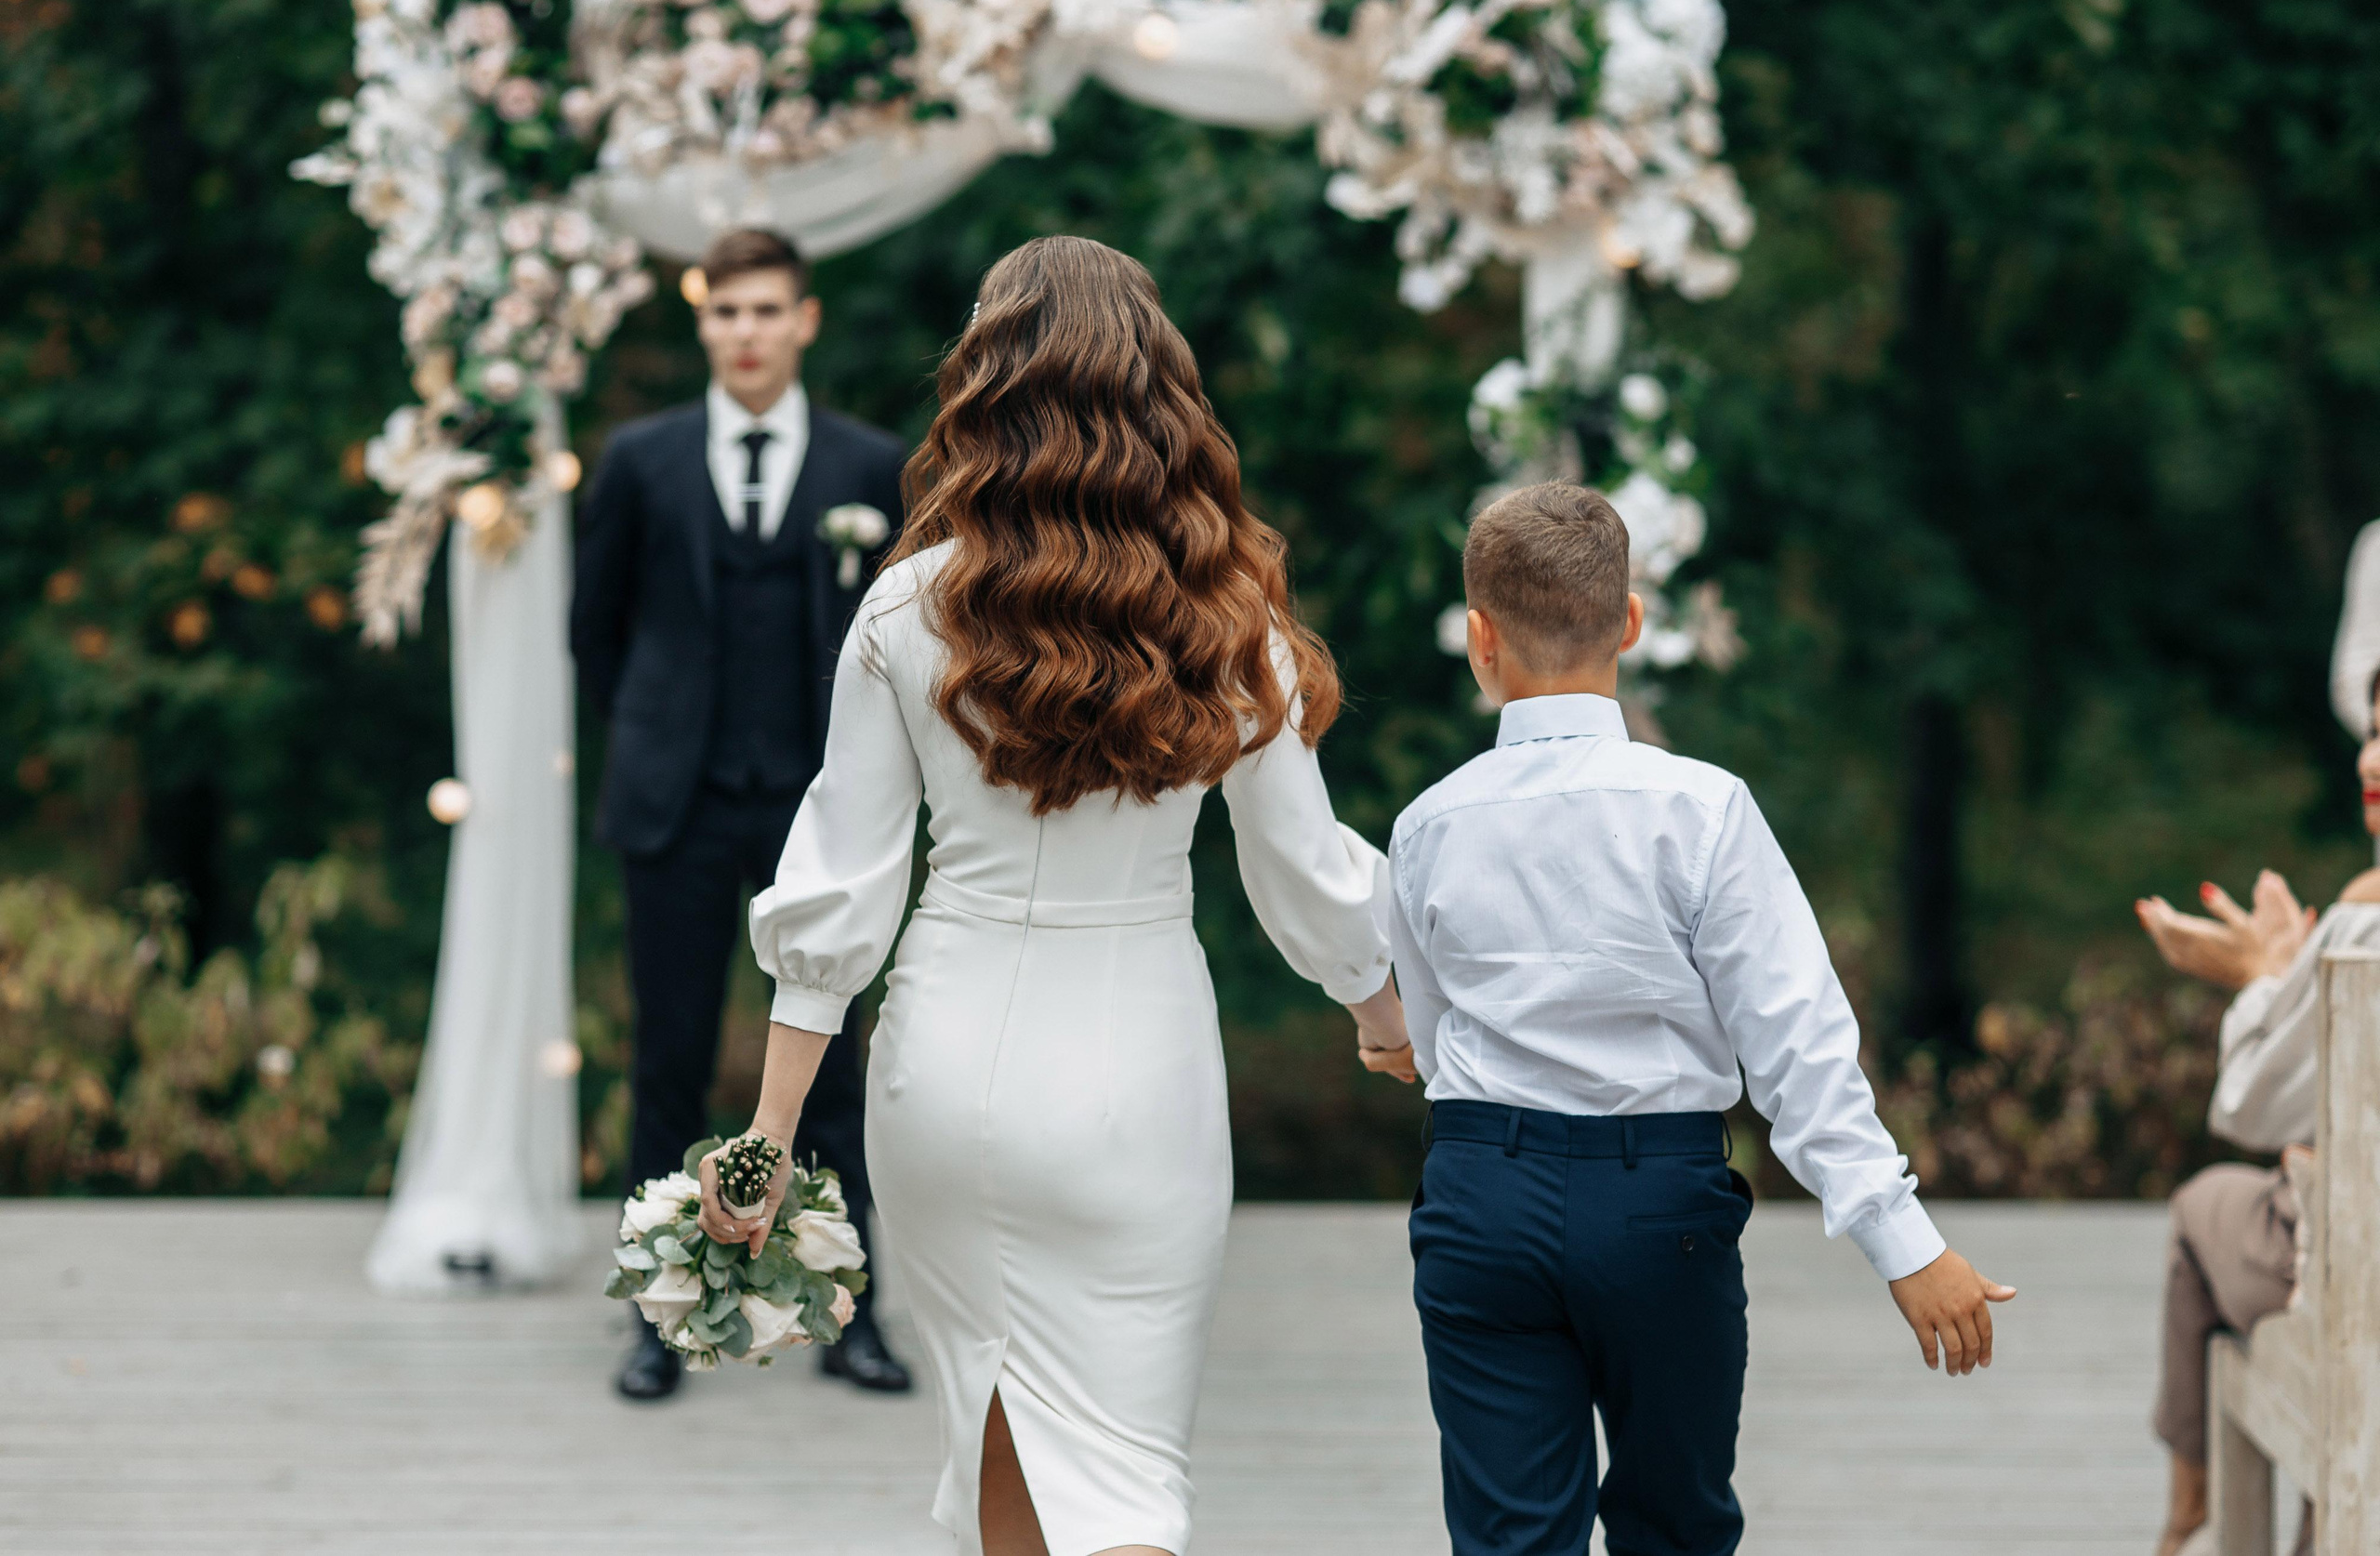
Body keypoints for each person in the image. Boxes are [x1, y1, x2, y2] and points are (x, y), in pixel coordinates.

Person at [694, 235, 1408, 1556]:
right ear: (1160, 396)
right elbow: (1302, 872)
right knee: (1130, 1478)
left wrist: (770, 1135)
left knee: (998, 1452)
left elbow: (838, 889)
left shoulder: (906, 605)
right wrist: (1382, 1008)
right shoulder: (1224, 612)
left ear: (984, 386)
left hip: (945, 1071)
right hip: (1135, 1067)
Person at [1385, 482, 2016, 1556]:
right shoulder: (1701, 808)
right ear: (1630, 623)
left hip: (1482, 1195)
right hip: (1654, 1206)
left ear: (1480, 641)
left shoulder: (1425, 825)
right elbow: (1797, 1049)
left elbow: (1432, 1036)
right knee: (1675, 1528)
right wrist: (1904, 1245)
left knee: (1506, 1540)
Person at [571, 227, 912, 1401]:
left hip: (824, 812)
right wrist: (657, 735)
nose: (746, 332)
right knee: (665, 1057)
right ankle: (656, 1313)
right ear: (702, 322)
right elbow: (594, 631)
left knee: (837, 1066)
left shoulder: (873, 466)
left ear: (804, 320)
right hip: (674, 806)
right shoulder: (637, 459)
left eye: (766, 310)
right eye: (725, 312)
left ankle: (847, 1310)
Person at [2132, 686, 2380, 1556]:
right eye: (2376, 729)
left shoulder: (2364, 918)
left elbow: (2250, 1105)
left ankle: (2186, 1506)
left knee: (2203, 1204)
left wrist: (2262, 974)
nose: (2371, 760)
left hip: (2353, 1288)